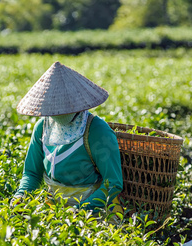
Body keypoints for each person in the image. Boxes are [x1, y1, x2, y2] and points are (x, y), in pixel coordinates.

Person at [12, 61, 123, 214]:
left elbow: (113, 184)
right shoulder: (42, 128)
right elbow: (32, 173)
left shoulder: (97, 130)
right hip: (53, 208)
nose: (58, 112)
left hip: (93, 211)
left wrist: (81, 209)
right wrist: (21, 195)